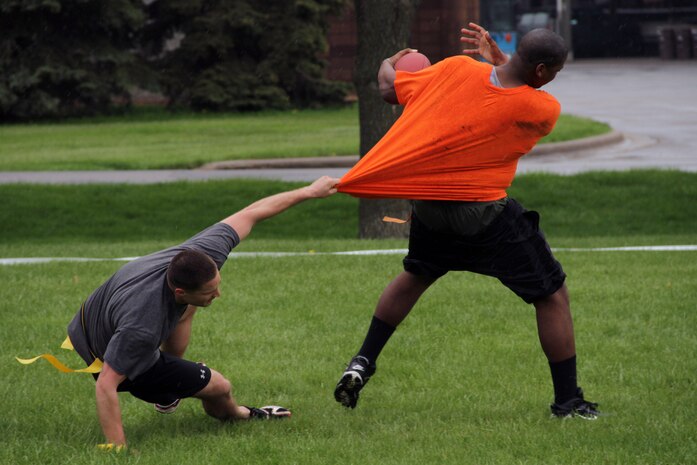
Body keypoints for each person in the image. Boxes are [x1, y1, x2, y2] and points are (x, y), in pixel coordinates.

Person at [334, 24, 599, 419]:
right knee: (551, 295)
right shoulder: (542, 110)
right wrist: (505, 65)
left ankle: (362, 362)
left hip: (429, 206)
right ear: (543, 72)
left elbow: (390, 88)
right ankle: (568, 403)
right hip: (481, 213)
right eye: (555, 72)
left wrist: (386, 62)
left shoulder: (456, 68)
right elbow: (514, 90)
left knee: (416, 275)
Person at [67, 176, 339, 449]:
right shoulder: (143, 325)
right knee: (219, 387)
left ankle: (168, 390)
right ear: (180, 292)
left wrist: (310, 191)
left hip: (88, 322)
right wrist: (117, 449)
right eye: (210, 291)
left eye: (216, 285)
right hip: (101, 349)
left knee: (186, 313)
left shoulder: (203, 252)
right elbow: (105, 385)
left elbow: (251, 213)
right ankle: (241, 415)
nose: (218, 294)